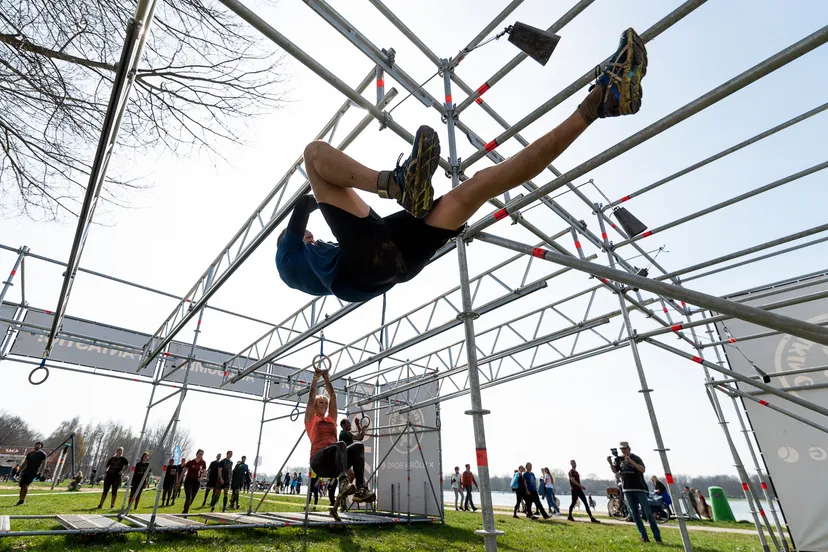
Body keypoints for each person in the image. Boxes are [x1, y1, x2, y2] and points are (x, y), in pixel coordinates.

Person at [275, 29, 647, 303]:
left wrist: (325, 203)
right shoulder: (287, 257)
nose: (310, 238)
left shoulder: (318, 252)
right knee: (314, 155)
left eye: (308, 237)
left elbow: (319, 216)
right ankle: (395, 184)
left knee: (484, 183)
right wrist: (317, 205)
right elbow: (302, 208)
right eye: (306, 239)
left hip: (393, 258)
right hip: (356, 271)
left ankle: (601, 102)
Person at [305, 366, 374, 522]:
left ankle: (360, 489)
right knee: (341, 444)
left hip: (335, 462)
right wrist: (316, 378)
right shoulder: (311, 419)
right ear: (315, 406)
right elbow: (311, 397)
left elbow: (333, 396)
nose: (324, 404)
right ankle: (343, 483)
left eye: (325, 402)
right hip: (319, 460)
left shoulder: (331, 420)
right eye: (320, 402)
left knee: (358, 447)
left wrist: (327, 378)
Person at [608, 441, 661, 544]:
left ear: (629, 448)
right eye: (621, 450)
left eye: (625, 449)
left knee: (648, 514)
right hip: (627, 490)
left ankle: (657, 537)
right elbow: (615, 471)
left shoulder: (636, 458)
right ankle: (644, 536)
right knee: (635, 514)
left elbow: (642, 469)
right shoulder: (619, 459)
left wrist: (630, 461)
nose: (623, 451)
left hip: (639, 489)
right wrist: (610, 463)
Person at [16, 441, 47, 505]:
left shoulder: (42, 454)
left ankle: (22, 500)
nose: (37, 446)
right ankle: (20, 500)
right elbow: (25, 463)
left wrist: (41, 472)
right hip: (26, 471)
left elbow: (44, 464)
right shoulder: (30, 453)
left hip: (34, 471)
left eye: (39, 445)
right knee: (22, 485)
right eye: (36, 444)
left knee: (25, 485)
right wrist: (19, 470)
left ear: (41, 447)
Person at [182, 450, 206, 514]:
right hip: (188, 482)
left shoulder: (203, 463)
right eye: (200, 454)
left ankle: (185, 510)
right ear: (196, 454)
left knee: (192, 499)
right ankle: (185, 513)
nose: (200, 456)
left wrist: (201, 478)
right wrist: (179, 481)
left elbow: (204, 473)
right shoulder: (190, 462)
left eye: (202, 454)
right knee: (189, 497)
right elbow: (183, 472)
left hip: (196, 483)